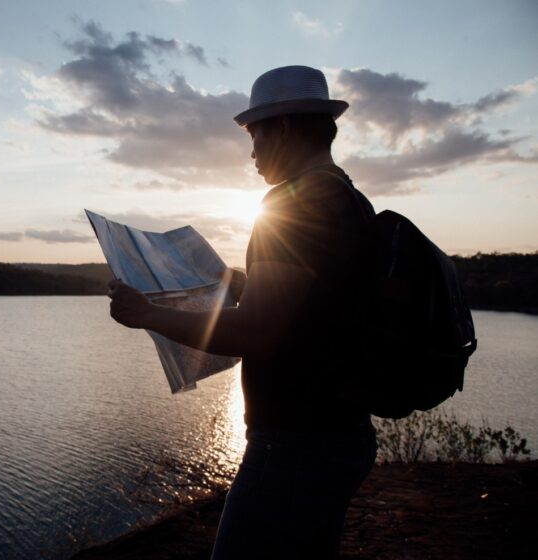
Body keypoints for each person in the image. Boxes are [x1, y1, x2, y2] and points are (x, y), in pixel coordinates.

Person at [107, 65, 378, 559]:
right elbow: (312, 309)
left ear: (284, 128)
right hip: (338, 434)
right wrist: (243, 284)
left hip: (296, 445)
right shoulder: (347, 199)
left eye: (255, 133)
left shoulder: (293, 204)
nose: (251, 151)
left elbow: (258, 330)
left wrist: (149, 313)